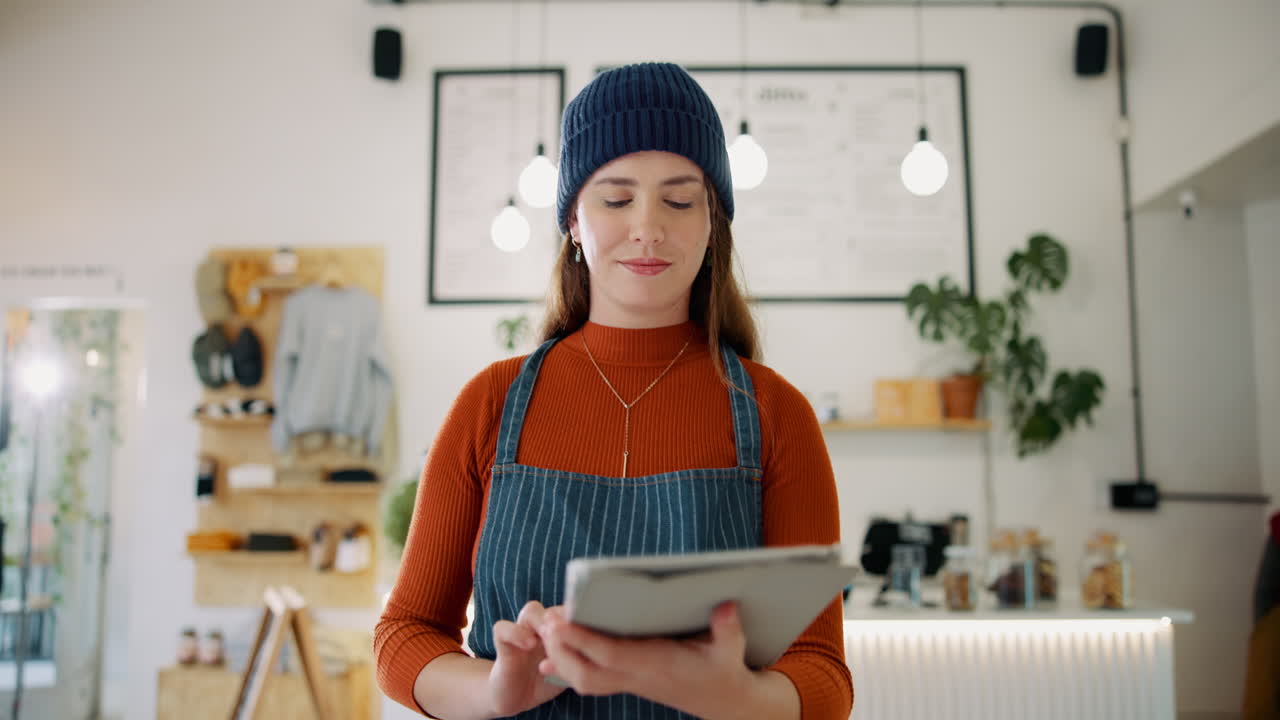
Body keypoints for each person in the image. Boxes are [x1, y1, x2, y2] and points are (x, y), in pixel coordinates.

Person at [374, 62, 852, 719]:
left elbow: (821, 674)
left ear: (714, 224)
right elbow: (405, 636)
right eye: (617, 198)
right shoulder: (490, 403)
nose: (648, 227)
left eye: (680, 200)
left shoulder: (776, 415)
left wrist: (736, 697)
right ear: (573, 219)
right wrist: (493, 692)